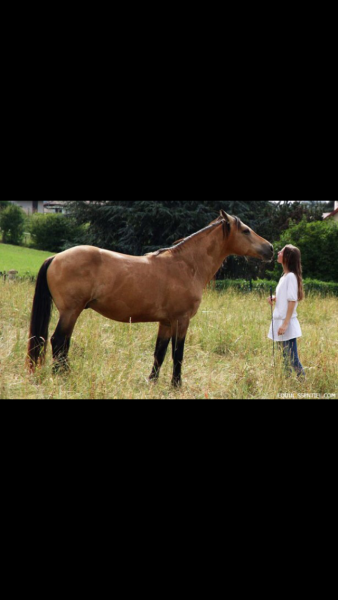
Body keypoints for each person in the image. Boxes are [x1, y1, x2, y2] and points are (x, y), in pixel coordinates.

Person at [268, 245, 305, 378]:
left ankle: (304, 384)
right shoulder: (284, 277)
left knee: (293, 360)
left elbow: (292, 301)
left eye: (281, 252)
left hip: (286, 324)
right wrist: (275, 298)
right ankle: (288, 383)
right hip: (281, 323)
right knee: (285, 360)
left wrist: (285, 324)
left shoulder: (291, 277)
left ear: (287, 257)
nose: (278, 253)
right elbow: (286, 297)